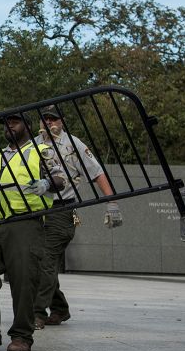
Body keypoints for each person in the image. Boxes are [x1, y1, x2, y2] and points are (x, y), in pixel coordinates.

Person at [0, 113, 65, 351]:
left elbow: (61, 179)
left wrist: (47, 184)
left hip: (24, 222)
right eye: (6, 123)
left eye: (14, 122)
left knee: (23, 279)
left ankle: (22, 335)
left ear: (27, 126)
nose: (9, 126)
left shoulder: (41, 151)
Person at [33, 109, 122, 329]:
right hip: (36, 209)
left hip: (63, 208)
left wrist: (111, 203)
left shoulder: (73, 144)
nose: (49, 122)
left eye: (53, 118)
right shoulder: (33, 143)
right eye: (45, 118)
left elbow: (97, 171)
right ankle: (60, 308)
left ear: (62, 121)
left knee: (46, 258)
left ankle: (36, 312)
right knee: (40, 260)